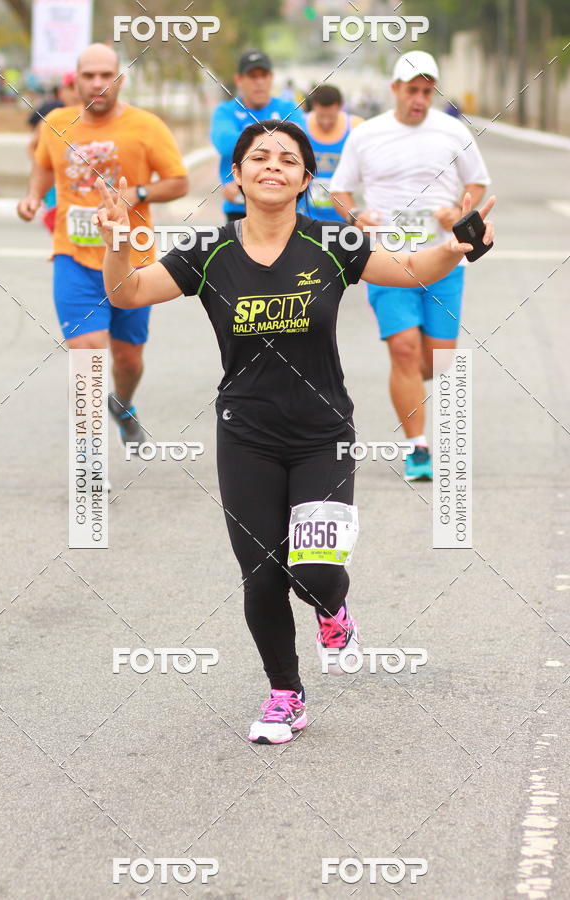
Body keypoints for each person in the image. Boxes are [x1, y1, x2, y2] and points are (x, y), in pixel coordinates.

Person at [93, 121, 495, 744]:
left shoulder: (332, 240)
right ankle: (285, 692)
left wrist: (458, 246)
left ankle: (334, 609)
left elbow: (414, 268)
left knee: (315, 574)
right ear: (237, 175)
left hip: (321, 433)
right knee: (261, 573)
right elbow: (128, 290)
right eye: (259, 157)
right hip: (245, 433)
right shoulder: (209, 249)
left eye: (288, 159)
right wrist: (118, 240)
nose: (273, 166)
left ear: (306, 179)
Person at [17, 43, 188, 449]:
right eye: (89, 75)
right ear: (75, 80)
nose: (97, 83)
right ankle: (90, 459)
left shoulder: (146, 126)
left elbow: (178, 181)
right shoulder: (56, 123)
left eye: (105, 75)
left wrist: (138, 193)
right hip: (74, 257)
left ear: (119, 80)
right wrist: (33, 196)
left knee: (128, 360)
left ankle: (123, 404)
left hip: (132, 261)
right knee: (88, 354)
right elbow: (43, 165)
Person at [330, 51, 491, 481]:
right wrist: (356, 217)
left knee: (436, 363)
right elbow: (340, 191)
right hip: (388, 259)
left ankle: (412, 382)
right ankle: (417, 447)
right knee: (403, 349)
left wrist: (458, 210)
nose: (419, 98)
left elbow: (477, 181)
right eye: (411, 90)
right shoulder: (367, 134)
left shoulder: (453, 130)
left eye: (426, 91)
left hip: (443, 258)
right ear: (395, 89)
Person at [210, 49, 306, 221]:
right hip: (239, 204)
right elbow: (225, 145)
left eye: (264, 75)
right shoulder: (226, 110)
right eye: (252, 76)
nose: (259, 82)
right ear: (239, 80)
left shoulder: (288, 108)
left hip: (283, 203)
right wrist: (279, 134)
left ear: (271, 78)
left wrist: (246, 139)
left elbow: (300, 146)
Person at [26, 73, 80, 233]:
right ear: (61, 92)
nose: (76, 92)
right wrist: (46, 167)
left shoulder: (96, 120)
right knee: (58, 223)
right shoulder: (52, 119)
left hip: (83, 183)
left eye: (79, 86)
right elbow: (32, 147)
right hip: (56, 184)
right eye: (71, 87)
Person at [304, 85, 363, 221]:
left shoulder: (356, 127)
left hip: (344, 214)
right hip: (306, 214)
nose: (325, 122)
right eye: (321, 116)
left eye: (331, 117)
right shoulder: (300, 124)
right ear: (314, 106)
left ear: (340, 106)